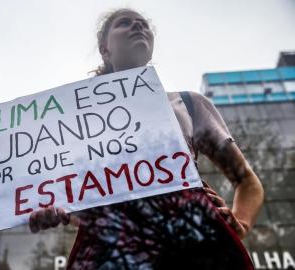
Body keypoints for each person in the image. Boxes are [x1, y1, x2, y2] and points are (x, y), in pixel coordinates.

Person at [28, 8, 264, 269]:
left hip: (196, 242)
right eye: (125, 23)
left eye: (142, 24)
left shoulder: (187, 104)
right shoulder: (79, 121)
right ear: (104, 49)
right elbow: (84, 203)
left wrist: (240, 223)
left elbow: (246, 181)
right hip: (111, 250)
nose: (138, 27)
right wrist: (57, 211)